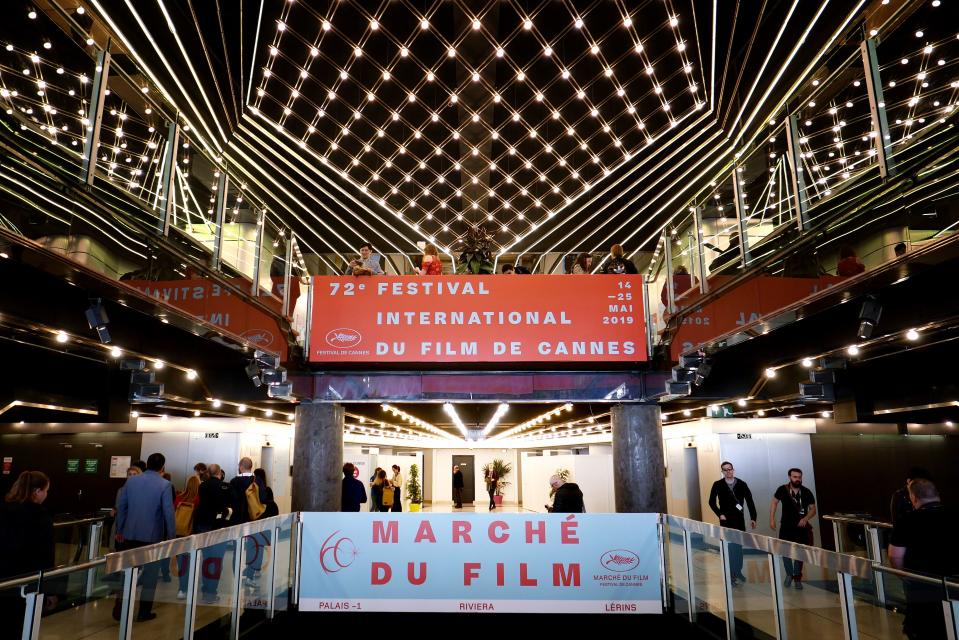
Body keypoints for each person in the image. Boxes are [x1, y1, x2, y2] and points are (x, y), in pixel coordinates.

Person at [889, 479, 959, 640]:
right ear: (937, 495)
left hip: (922, 589)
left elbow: (895, 555)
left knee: (925, 631)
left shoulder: (907, 521)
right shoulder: (956, 515)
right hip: (955, 584)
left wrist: (905, 576)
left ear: (914, 498)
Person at [115, 453, 175, 622]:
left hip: (130, 534)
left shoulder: (131, 481)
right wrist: (171, 537)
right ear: (163, 467)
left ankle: (122, 606)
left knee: (128, 572)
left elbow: (122, 507)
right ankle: (143, 612)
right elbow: (168, 513)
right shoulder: (165, 485)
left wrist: (120, 529)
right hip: (152, 538)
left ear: (147, 464)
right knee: (149, 577)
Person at [0, 471, 55, 621]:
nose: (46, 494)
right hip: (27, 582)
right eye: (46, 490)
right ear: (37, 492)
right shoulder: (41, 516)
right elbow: (46, 555)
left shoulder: (4, 510)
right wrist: (50, 590)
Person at [708, 462, 758, 585]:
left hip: (739, 520)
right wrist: (720, 514)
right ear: (722, 472)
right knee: (730, 548)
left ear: (733, 470)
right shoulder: (718, 484)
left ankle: (738, 571)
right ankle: (731, 574)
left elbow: (750, 501)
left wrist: (753, 517)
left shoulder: (741, 484)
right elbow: (711, 502)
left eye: (729, 469)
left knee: (738, 547)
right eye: (725, 470)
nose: (728, 472)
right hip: (726, 521)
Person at [769, 468, 817, 590]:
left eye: (799, 477)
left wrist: (805, 518)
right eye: (795, 477)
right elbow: (774, 502)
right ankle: (789, 574)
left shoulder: (806, 492)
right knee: (785, 551)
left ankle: (797, 577)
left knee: (799, 552)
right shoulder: (782, 489)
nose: (797, 479)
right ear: (790, 477)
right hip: (786, 526)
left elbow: (813, 509)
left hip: (801, 527)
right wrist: (772, 519)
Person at [193, 463, 233, 603]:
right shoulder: (225, 487)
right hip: (218, 527)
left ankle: (205, 588)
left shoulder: (202, 486)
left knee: (207, 558)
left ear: (208, 473)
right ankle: (211, 592)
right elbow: (227, 506)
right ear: (220, 473)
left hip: (203, 525)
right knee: (216, 560)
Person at [229, 458, 268, 585]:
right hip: (254, 519)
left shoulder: (234, 481)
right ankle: (250, 576)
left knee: (237, 548)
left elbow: (231, 501)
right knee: (254, 547)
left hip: (238, 520)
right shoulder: (258, 480)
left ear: (240, 466)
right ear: (251, 467)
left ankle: (236, 577)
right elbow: (263, 498)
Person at [174, 475, 201, 599]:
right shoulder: (198, 499)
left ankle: (182, 589)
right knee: (194, 561)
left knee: (182, 562)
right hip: (193, 534)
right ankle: (193, 587)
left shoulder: (179, 498)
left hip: (179, 534)